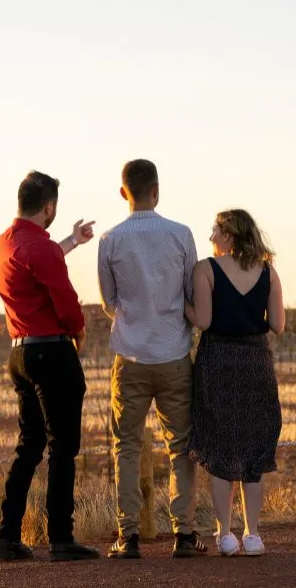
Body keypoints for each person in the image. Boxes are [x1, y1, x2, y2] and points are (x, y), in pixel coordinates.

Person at [97, 159, 207, 559]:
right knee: (180, 446)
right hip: (175, 353)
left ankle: (128, 536)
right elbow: (190, 294)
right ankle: (184, 533)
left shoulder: (109, 240)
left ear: (124, 192)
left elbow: (110, 301)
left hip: (130, 356)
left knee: (126, 445)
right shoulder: (181, 235)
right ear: (156, 190)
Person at [0, 170, 100, 562]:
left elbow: (38, 262)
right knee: (63, 446)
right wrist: (79, 330)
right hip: (51, 353)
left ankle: (8, 535)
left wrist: (71, 241)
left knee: (30, 444)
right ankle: (60, 537)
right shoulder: (40, 249)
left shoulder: (4, 245)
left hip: (19, 353)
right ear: (49, 206)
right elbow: (64, 298)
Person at [185, 209, 285, 557]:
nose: (211, 236)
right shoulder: (268, 271)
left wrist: (183, 307)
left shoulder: (205, 269)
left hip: (217, 362)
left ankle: (225, 534)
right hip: (256, 362)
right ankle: (253, 534)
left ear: (228, 235)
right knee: (255, 448)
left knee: (220, 447)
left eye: (215, 230)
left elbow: (204, 319)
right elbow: (278, 324)